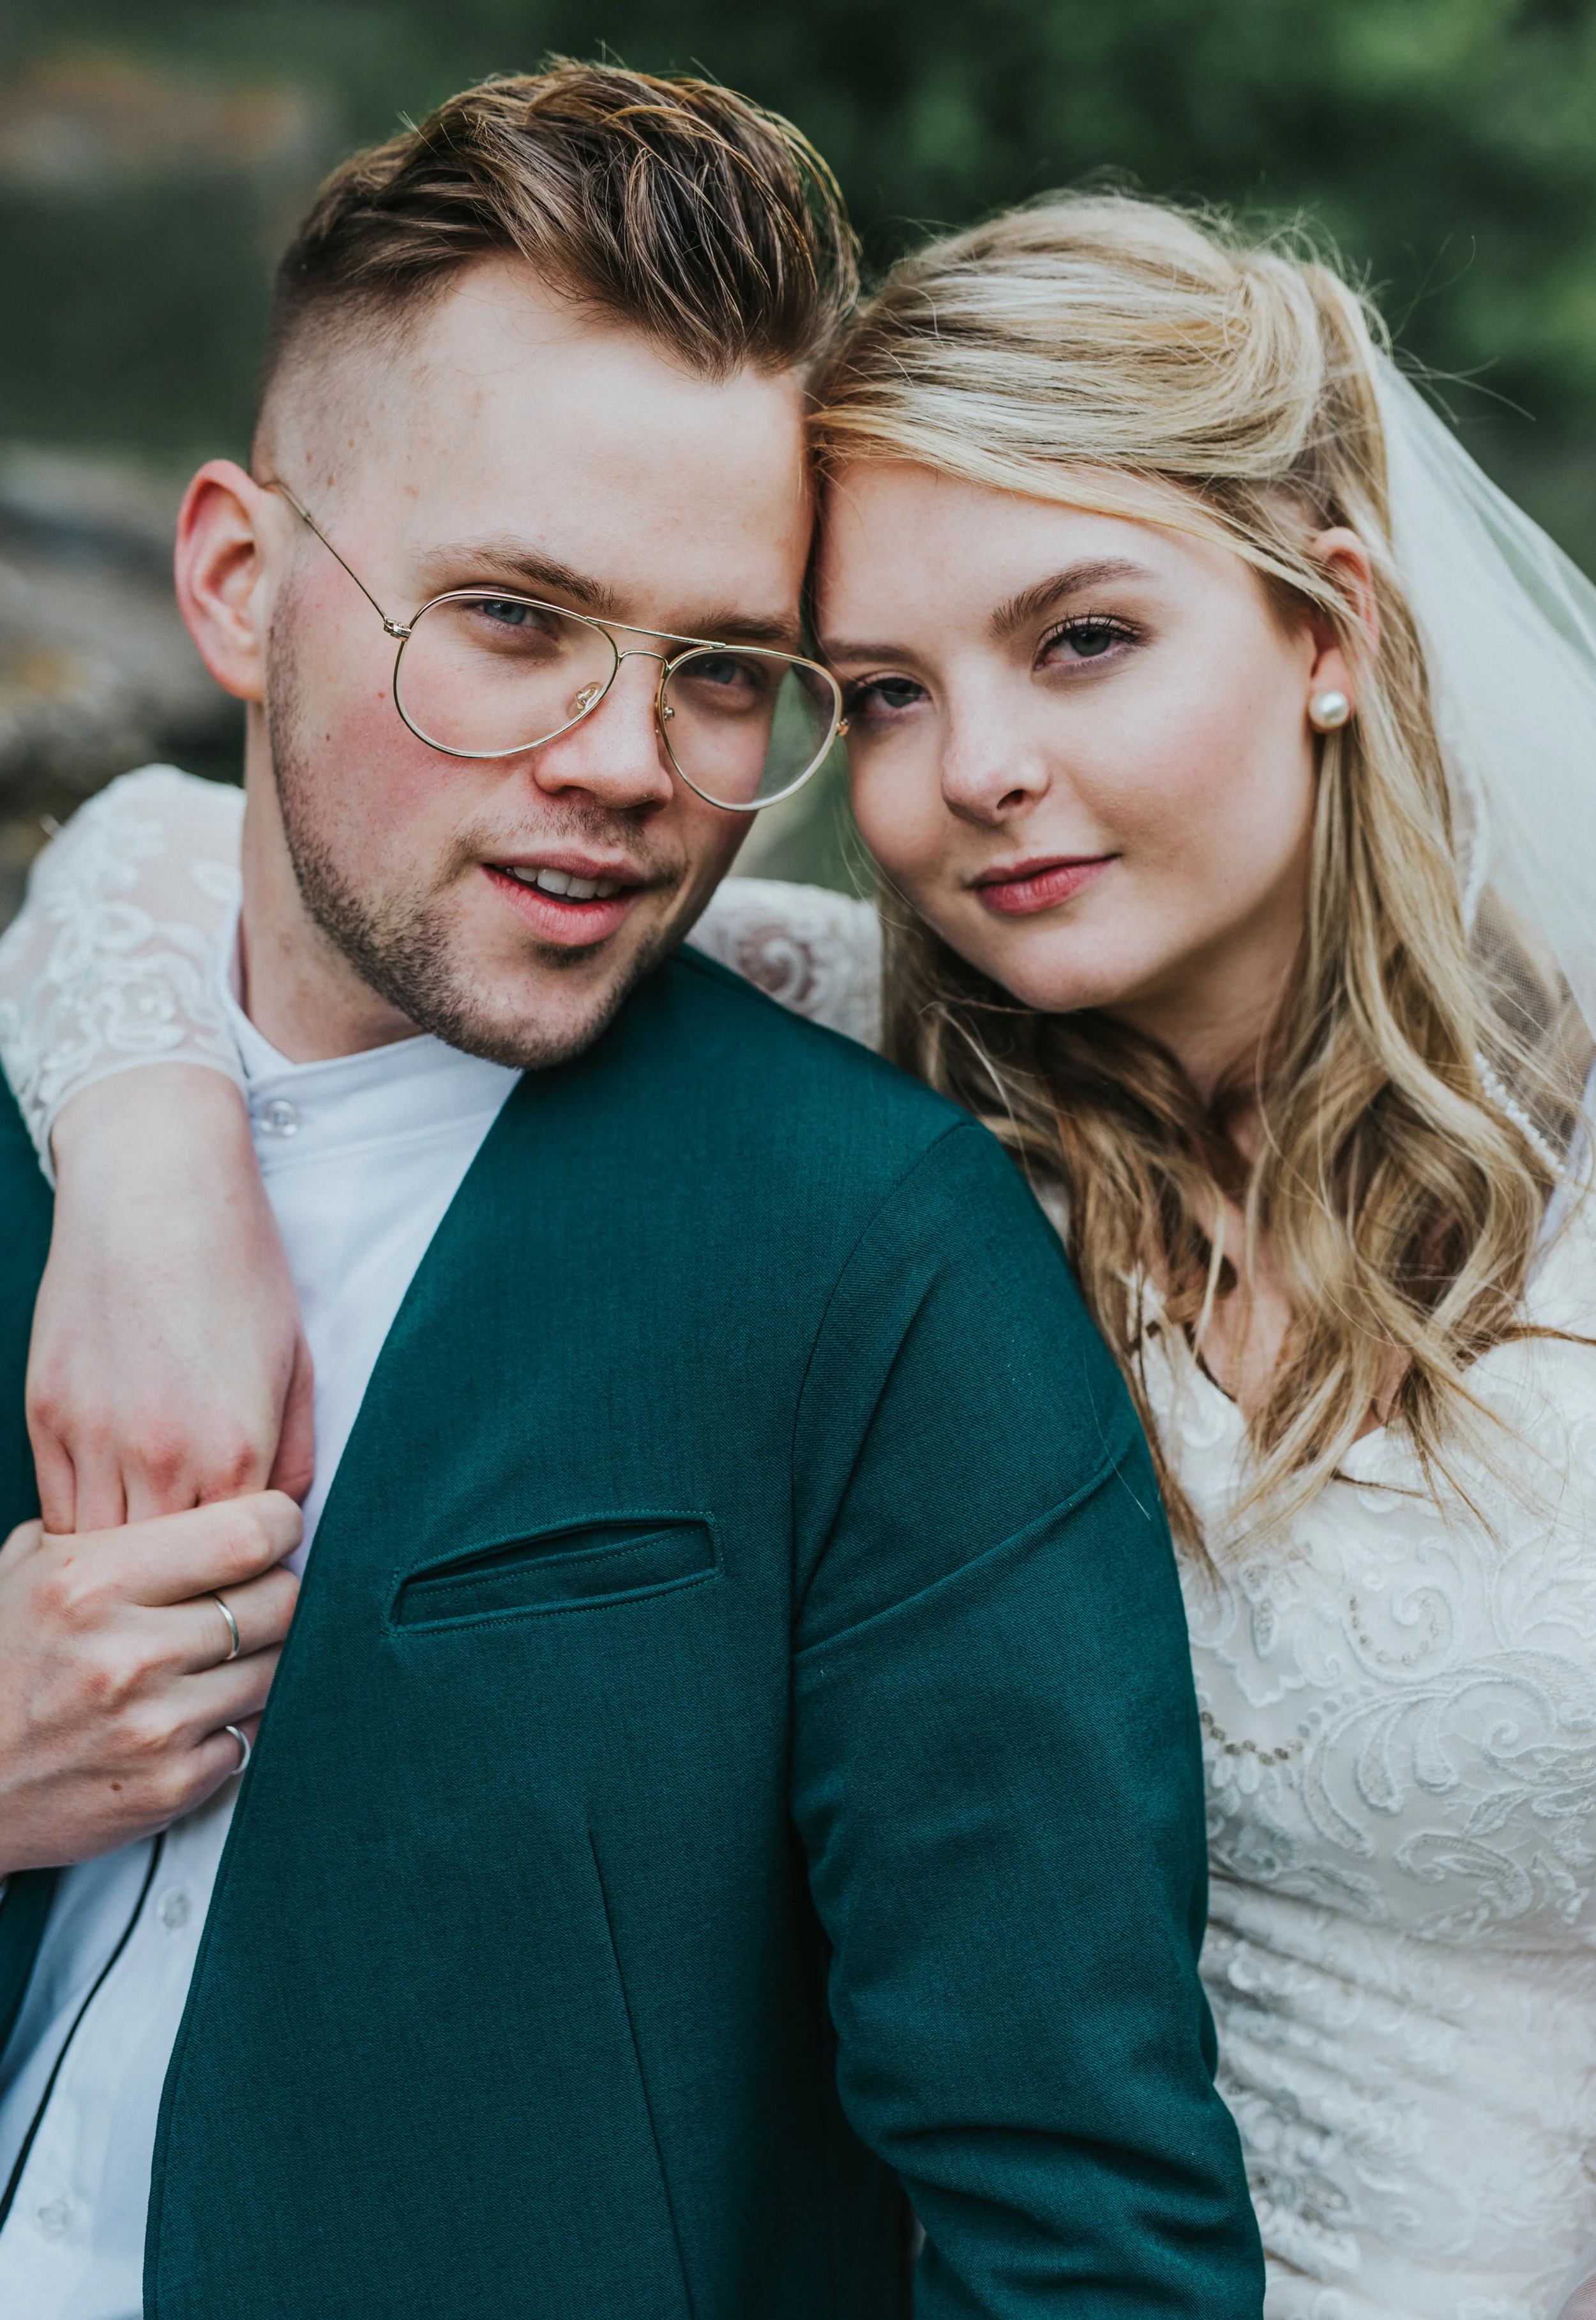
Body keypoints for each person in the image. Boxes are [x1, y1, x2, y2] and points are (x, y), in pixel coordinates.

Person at [24, 186, 1596, 2319]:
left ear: (1328, 628)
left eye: (1081, 640)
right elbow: (221, 840)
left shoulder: (878, 1179)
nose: (980, 778)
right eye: (870, 693)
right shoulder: (874, 1031)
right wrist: (148, 1144)